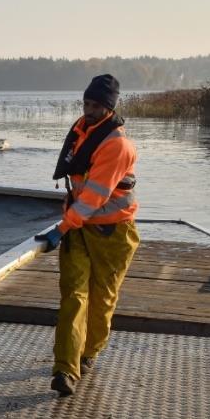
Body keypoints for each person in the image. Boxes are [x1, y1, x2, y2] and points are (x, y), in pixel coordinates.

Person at [34, 74, 139, 397]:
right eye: (86, 104)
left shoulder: (117, 145)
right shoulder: (82, 131)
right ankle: (65, 369)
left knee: (102, 300)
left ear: (109, 108)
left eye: (95, 106)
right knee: (74, 296)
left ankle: (89, 352)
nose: (88, 110)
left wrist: (61, 228)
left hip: (112, 233)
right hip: (79, 229)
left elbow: (94, 197)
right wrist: (68, 225)